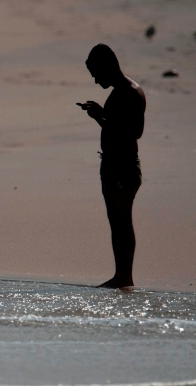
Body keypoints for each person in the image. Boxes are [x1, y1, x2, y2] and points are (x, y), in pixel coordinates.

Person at [79, 44, 146, 288]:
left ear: (109, 67)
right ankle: (120, 276)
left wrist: (102, 116)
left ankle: (124, 277)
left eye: (97, 74)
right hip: (112, 165)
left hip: (123, 167)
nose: (96, 81)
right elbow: (115, 127)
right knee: (116, 222)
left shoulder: (131, 92)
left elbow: (134, 132)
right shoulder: (117, 92)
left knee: (121, 221)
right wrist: (100, 116)